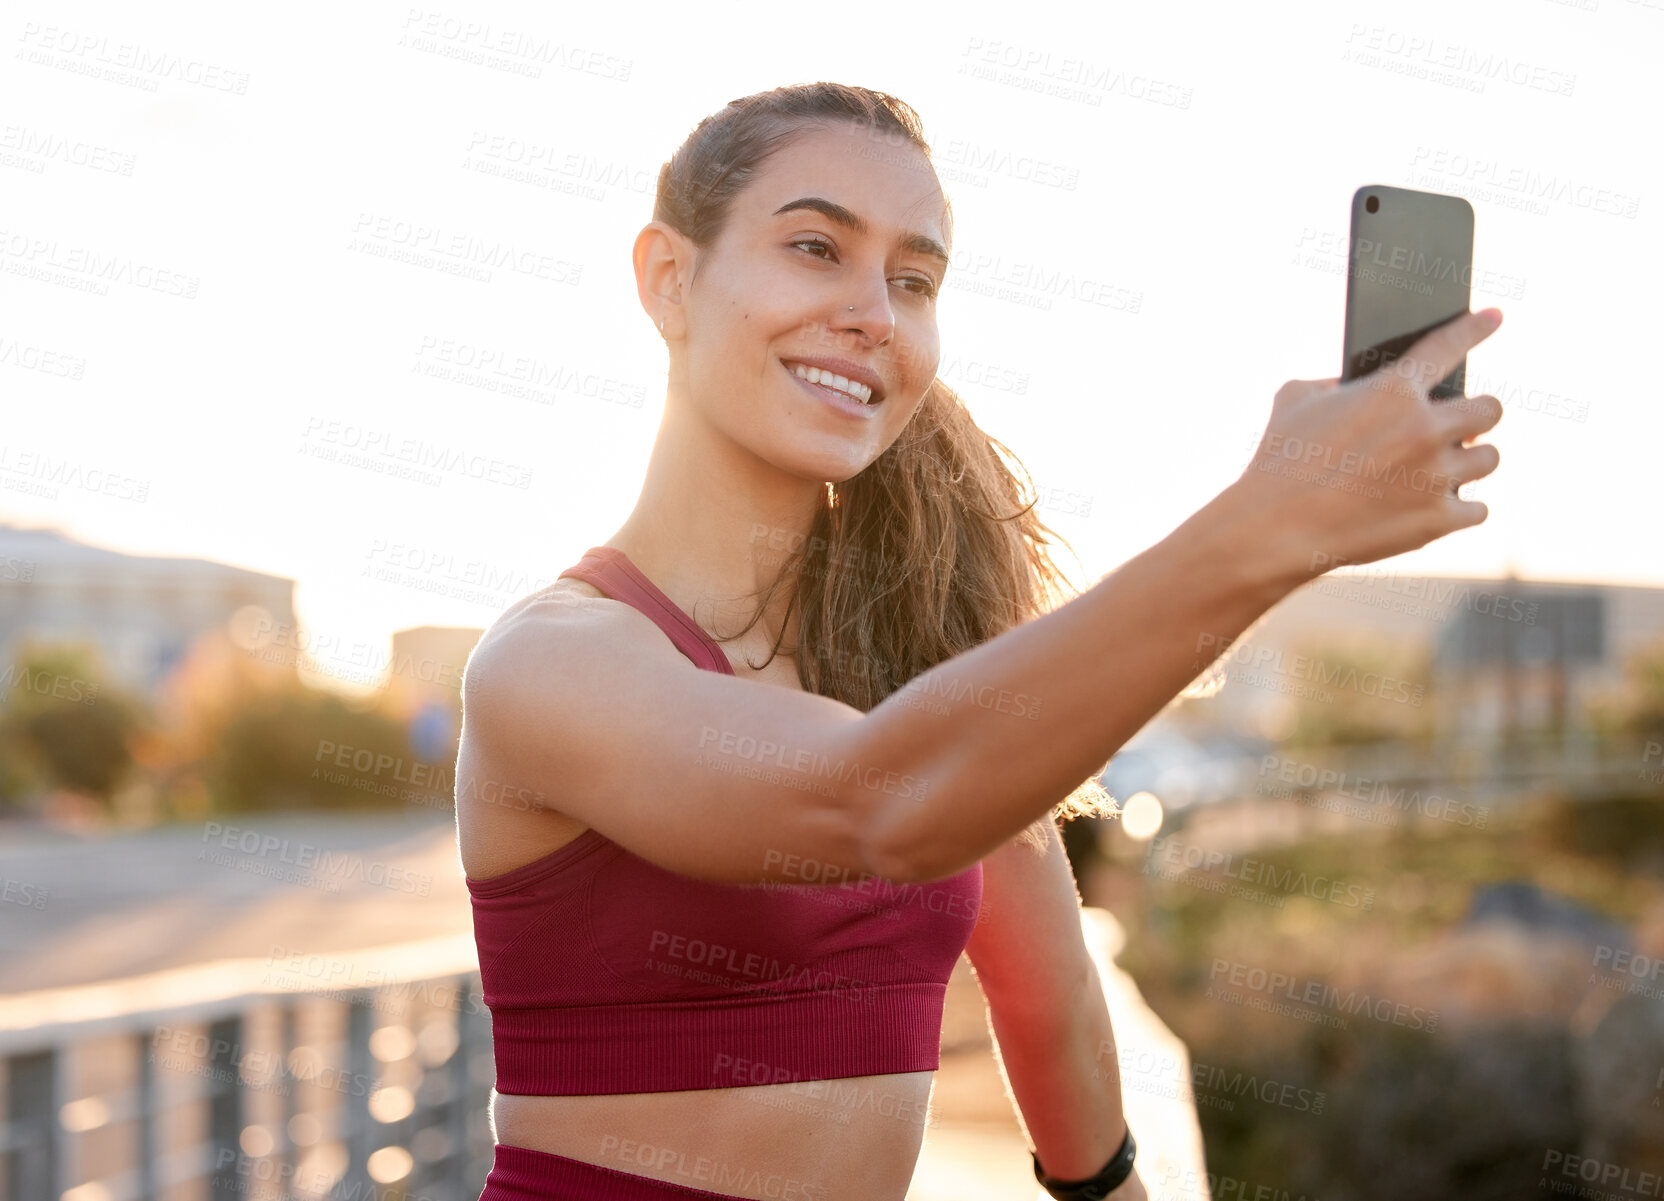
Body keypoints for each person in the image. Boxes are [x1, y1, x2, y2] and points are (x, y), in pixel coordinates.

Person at [454, 82, 1504, 1201]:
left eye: (913, 280)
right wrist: (1271, 524)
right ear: (669, 278)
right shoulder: (548, 662)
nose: (876, 314)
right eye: (815, 247)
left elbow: (1049, 1000)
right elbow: (872, 806)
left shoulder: (914, 652)